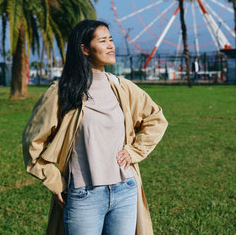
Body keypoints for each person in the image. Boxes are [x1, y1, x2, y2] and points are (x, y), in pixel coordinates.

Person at [22, 20, 168, 235]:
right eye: (103, 41)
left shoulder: (122, 87)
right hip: (83, 196)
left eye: (111, 40)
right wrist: (54, 180)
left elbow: (156, 118)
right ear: (84, 49)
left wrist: (134, 151)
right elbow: (32, 142)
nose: (111, 46)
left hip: (125, 191)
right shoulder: (62, 92)